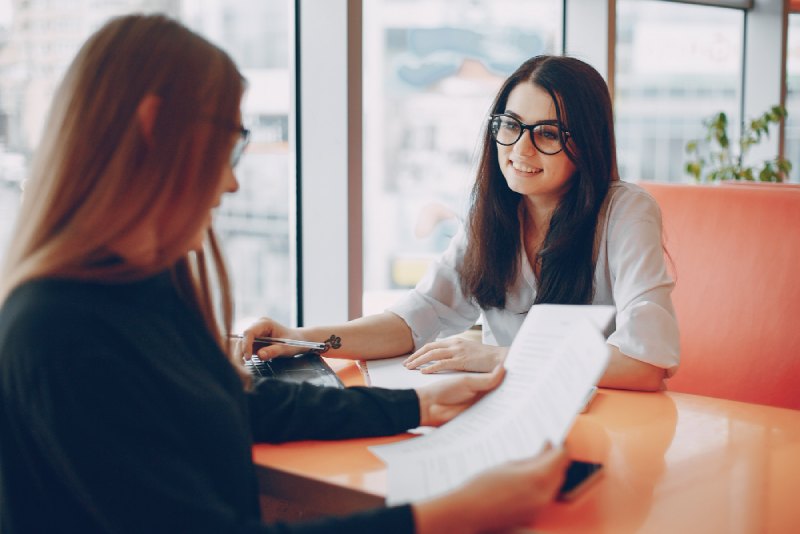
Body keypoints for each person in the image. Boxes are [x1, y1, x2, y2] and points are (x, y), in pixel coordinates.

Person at [0, 14, 570, 534]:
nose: (232, 184)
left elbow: (229, 406)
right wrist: (450, 515)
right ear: (153, 126)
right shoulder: (57, 331)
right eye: (229, 147)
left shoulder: (140, 288)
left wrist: (419, 405)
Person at [244, 55, 680, 392]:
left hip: (605, 423)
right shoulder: (491, 212)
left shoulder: (626, 213)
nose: (519, 150)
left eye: (547, 133)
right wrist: (303, 339)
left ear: (586, 142)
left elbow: (645, 364)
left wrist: (498, 357)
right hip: (506, 413)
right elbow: (415, 319)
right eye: (510, 125)